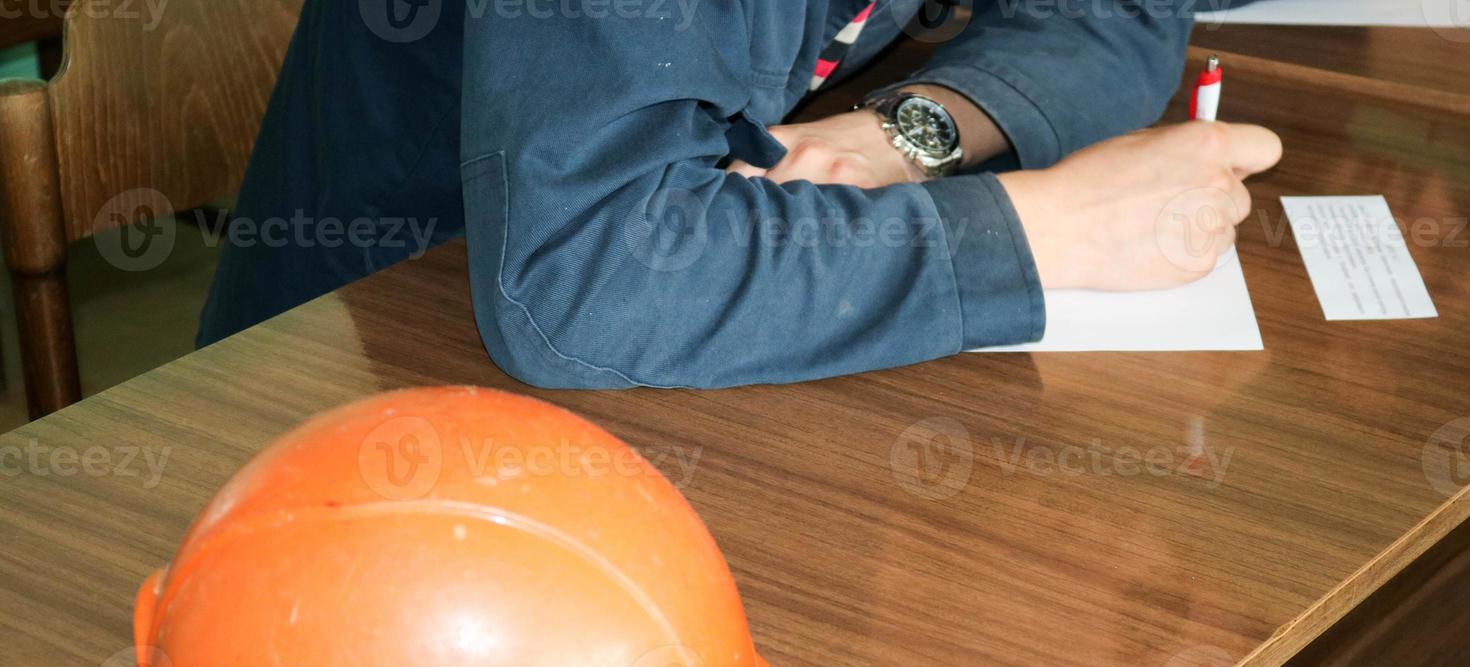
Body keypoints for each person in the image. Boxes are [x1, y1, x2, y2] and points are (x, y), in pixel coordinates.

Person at [198, 0, 1282, 387]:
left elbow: (1118, 10)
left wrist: (909, 134)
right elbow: (590, 273)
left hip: (688, 317)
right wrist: (1045, 231)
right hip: (382, 359)